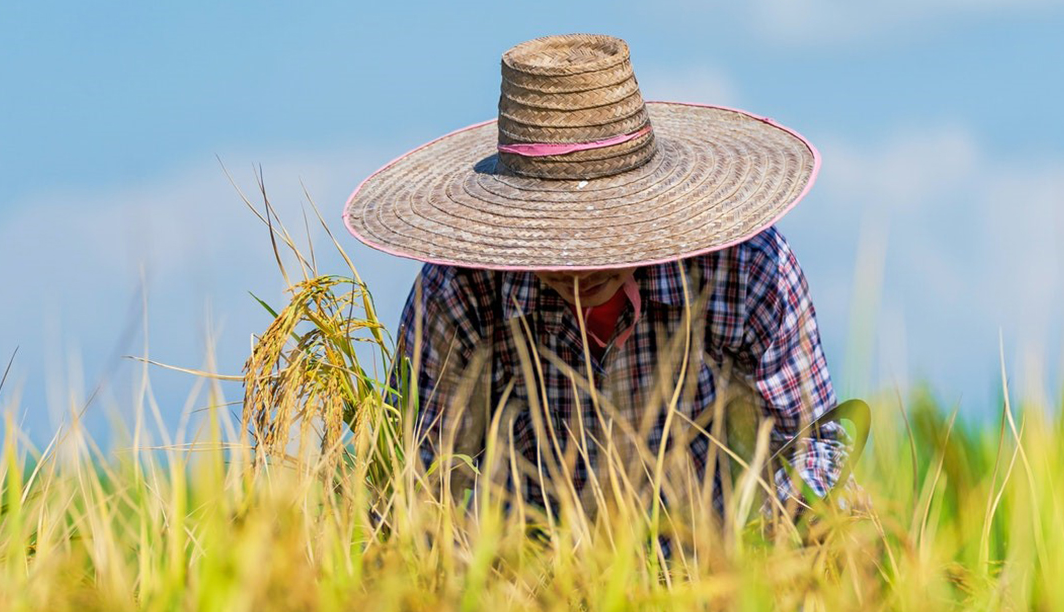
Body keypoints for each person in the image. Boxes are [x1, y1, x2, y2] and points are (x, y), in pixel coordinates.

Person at [342, 34, 851, 519]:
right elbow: (419, 470)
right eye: (553, 237)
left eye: (602, 232)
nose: (579, 267)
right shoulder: (462, 292)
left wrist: (776, 548)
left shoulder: (743, 268)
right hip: (526, 583)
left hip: (705, 570)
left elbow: (808, 445)